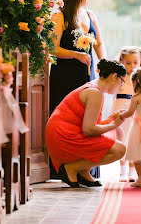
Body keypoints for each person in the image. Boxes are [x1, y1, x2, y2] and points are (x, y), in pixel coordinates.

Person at [49, 0, 106, 179]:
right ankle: (64, 166)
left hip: (86, 72)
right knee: (68, 120)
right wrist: (75, 54)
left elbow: (98, 43)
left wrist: (104, 63)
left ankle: (85, 168)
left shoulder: (90, 15)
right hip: (65, 74)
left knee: (87, 119)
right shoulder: (59, 16)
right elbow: (52, 48)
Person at [45, 59, 127, 188]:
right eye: (121, 82)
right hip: (63, 135)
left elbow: (89, 124)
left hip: (64, 132)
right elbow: (89, 130)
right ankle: (72, 168)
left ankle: (84, 170)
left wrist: (110, 120)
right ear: (114, 77)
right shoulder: (95, 93)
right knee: (120, 150)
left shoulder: (95, 89)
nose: (121, 87)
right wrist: (114, 125)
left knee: (115, 134)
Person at [111, 46, 141, 182]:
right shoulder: (118, 78)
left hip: (135, 110)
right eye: (128, 63)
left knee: (133, 139)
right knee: (121, 139)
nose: (132, 66)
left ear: (140, 62)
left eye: (135, 63)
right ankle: (122, 170)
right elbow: (112, 93)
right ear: (121, 62)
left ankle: (132, 170)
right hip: (120, 109)